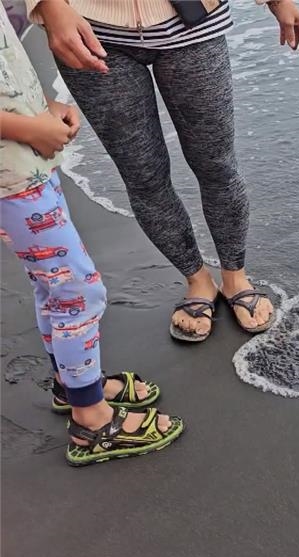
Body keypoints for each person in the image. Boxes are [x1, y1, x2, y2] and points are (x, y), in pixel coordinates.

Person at [25, 0, 299, 342]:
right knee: (143, 176)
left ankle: (235, 276)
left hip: (193, 20)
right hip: (88, 26)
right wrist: (50, 6)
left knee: (216, 165)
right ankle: (197, 280)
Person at [1, 7, 183, 466]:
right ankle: (91, 421)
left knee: (53, 281)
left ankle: (73, 383)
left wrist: (44, 108)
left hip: (25, 161)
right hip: (12, 172)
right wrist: (28, 126)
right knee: (77, 291)